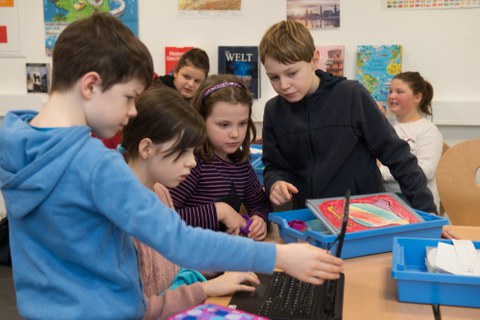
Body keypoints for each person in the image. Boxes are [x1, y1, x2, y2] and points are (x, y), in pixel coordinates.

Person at [0, 14, 343, 319]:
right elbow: (179, 241)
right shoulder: (93, 165)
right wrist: (279, 258)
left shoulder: (19, 146)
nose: (133, 112)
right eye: (129, 97)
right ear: (91, 85)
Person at [258, 20, 437, 214]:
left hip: (365, 217)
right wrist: (275, 182)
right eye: (274, 77)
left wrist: (428, 214)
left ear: (314, 59)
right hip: (309, 218)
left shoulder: (351, 95)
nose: (283, 85)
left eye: (292, 73)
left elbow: (398, 156)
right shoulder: (273, 111)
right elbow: (274, 166)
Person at [122, 85, 262, 319]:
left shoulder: (159, 193)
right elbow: (137, 310)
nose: (193, 162)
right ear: (146, 148)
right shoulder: (119, 214)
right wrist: (206, 288)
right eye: (183, 152)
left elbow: (172, 265)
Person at [169, 74, 270, 241]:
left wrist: (260, 219)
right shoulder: (192, 164)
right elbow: (164, 216)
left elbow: (260, 203)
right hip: (189, 261)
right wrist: (218, 211)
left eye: (243, 123)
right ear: (201, 120)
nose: (235, 134)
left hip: (222, 257)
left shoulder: (241, 164)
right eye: (224, 125)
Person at [379, 71, 443, 212]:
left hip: (416, 203)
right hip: (386, 200)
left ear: (418, 97)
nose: (392, 96)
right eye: (390, 91)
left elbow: (425, 172)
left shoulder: (427, 130)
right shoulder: (385, 127)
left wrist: (382, 171)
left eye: (399, 91)